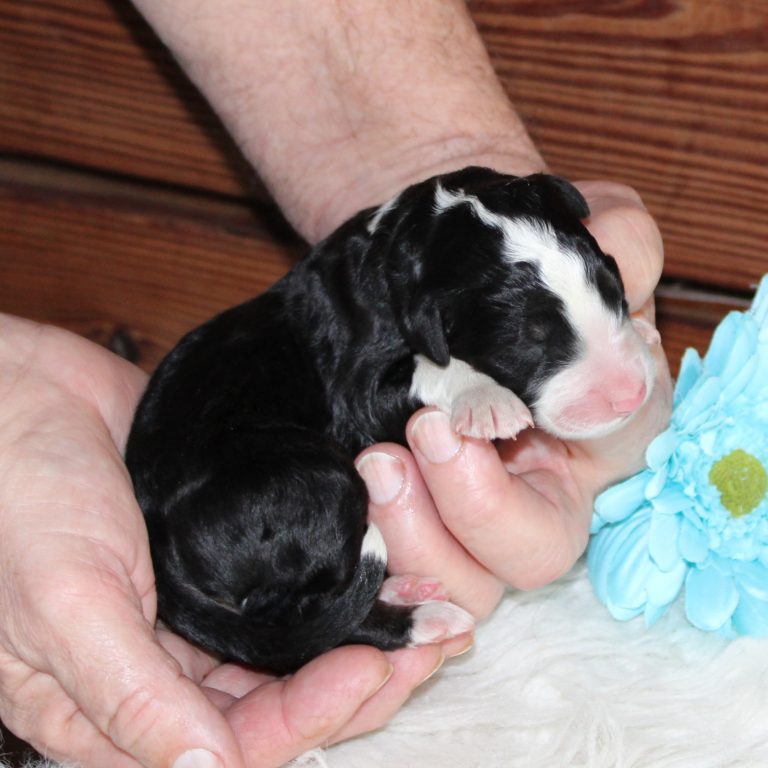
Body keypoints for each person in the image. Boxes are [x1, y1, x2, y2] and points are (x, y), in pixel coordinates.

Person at [0, 2, 672, 767]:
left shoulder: (418, 264)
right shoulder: (378, 315)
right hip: (232, 496)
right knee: (329, 495)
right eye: (540, 342)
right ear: (432, 321)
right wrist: (450, 388)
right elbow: (369, 404)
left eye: (607, 292)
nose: (623, 380)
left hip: (207, 497)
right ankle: (333, 611)